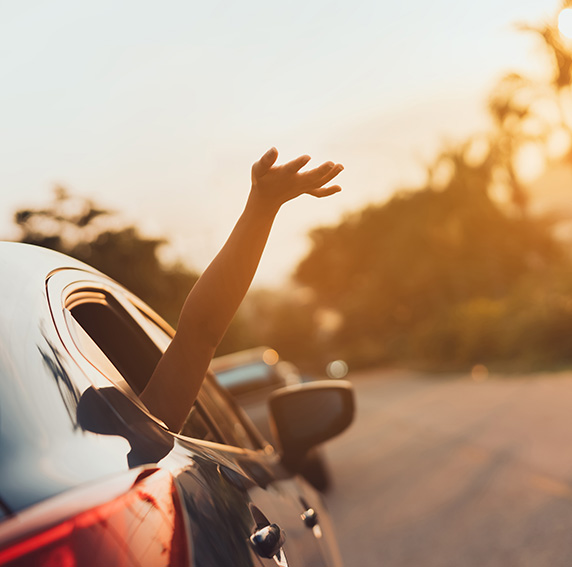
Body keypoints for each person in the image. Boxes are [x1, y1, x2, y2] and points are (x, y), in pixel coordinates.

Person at [140, 147, 344, 431]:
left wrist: (264, 207)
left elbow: (200, 334)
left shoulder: (138, 437)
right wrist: (263, 206)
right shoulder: (139, 438)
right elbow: (199, 334)